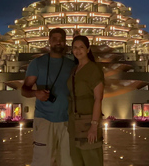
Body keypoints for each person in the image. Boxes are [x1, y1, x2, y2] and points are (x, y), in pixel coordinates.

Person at [22, 28, 76, 166]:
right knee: (42, 161)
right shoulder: (37, 63)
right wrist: (36, 93)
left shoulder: (72, 65)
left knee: (69, 161)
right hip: (44, 119)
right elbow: (24, 89)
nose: (58, 42)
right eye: (55, 39)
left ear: (65, 42)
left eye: (61, 39)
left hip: (67, 121)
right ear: (49, 41)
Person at [68, 35, 104, 166]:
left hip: (87, 121)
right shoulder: (73, 70)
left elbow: (98, 98)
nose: (78, 51)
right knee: (76, 159)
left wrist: (94, 125)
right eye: (75, 48)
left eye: (81, 47)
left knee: (92, 158)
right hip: (73, 122)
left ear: (88, 49)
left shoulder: (94, 69)